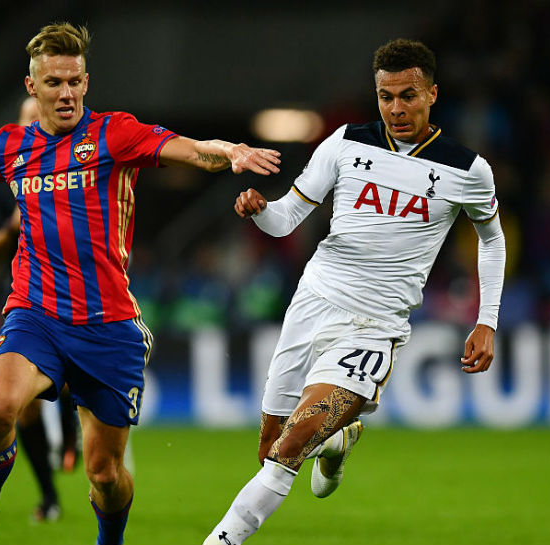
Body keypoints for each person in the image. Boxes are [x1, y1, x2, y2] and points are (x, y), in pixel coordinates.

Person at [0, 22, 280, 545]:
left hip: (109, 326)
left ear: (86, 82)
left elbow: (190, 149)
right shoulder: (10, 146)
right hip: (34, 313)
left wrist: (229, 153)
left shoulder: (115, 133)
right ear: (31, 86)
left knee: (104, 474)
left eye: (75, 81)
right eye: (55, 82)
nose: (66, 92)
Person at [203, 38, 506, 545]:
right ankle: (339, 438)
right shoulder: (345, 142)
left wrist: (487, 319)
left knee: (292, 444)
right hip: (313, 302)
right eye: (386, 97)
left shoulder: (467, 170)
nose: (396, 109)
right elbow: (286, 220)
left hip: (375, 325)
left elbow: (492, 241)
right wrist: (260, 210)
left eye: (408, 95)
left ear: (432, 94)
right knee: (270, 448)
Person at [0, 95, 80, 523]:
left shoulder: (78, 174)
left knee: (75, 382)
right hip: (27, 303)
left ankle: (73, 439)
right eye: (26, 122)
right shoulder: (5, 187)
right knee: (24, 405)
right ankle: (50, 495)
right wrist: (11, 228)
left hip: (78, 300)